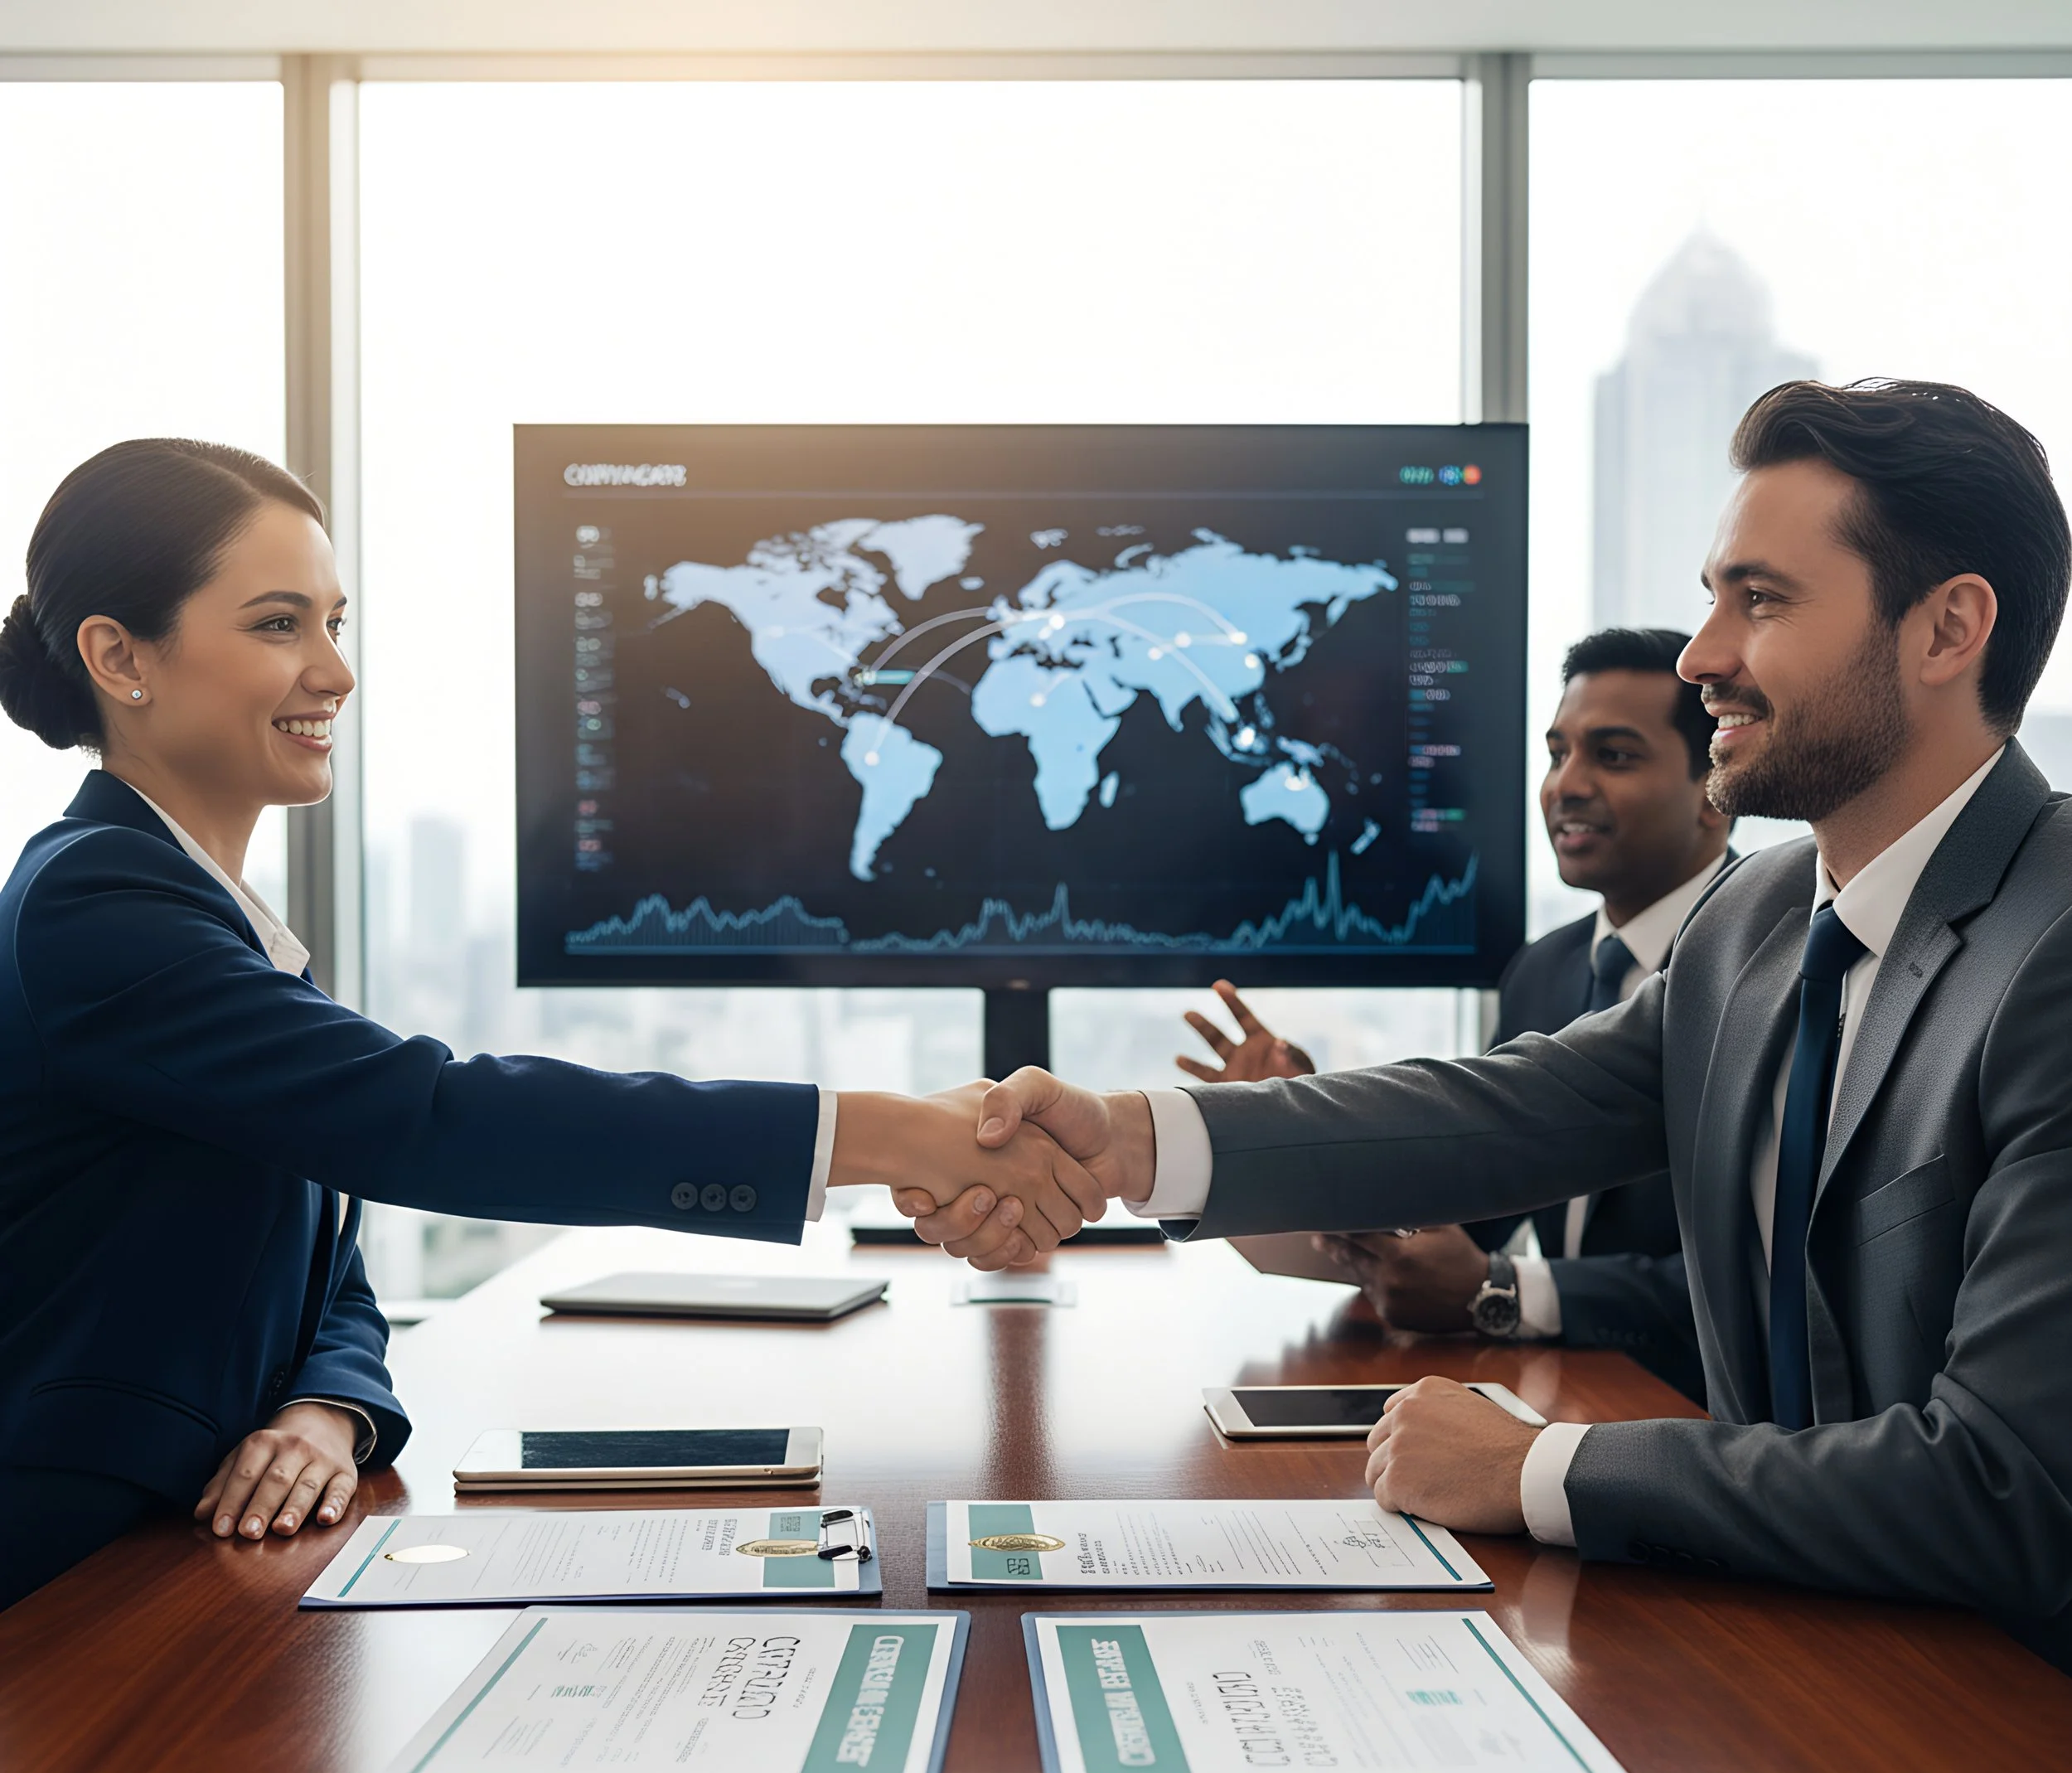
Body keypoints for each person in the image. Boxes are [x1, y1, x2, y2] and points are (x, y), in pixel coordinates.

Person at [915, 379, 2072, 1668]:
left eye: (1761, 600)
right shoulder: (1754, 922)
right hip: (1783, 1651)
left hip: (1998, 1711)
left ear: (1948, 629)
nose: (1702, 657)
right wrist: (1130, 1139)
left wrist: (1536, 1470)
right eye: (1712, 598)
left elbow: (2009, 1490)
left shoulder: (2054, 946)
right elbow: (1510, 1110)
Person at [0, 438, 1092, 1609]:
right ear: (119, 657)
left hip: (200, 1554)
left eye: (334, 622)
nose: (335, 672)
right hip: (69, 1573)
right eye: (278, 625)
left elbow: (330, 1264)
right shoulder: (95, 904)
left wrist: (328, 1409)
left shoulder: (199, 912)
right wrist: (890, 1133)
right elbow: (427, 1121)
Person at [1177, 626, 1728, 1393]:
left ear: (1715, 791)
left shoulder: (1767, 969)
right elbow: (1471, 1216)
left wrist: (1506, 1289)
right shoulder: (1544, 970)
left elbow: (1768, 1283)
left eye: (1613, 756)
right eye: (1557, 754)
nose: (1565, 785)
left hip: (1708, 1417)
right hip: (1576, 1394)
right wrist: (1297, 1138)